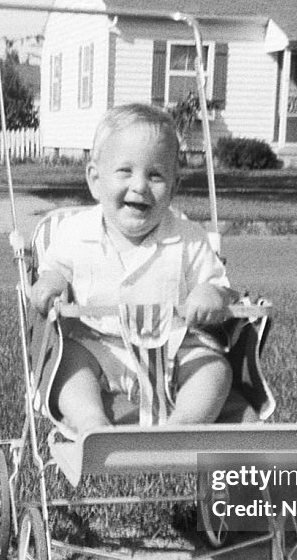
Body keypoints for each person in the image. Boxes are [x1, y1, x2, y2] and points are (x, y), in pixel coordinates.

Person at [30, 103, 235, 434]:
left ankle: (182, 425)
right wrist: (50, 284)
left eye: (155, 175)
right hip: (99, 343)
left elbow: (218, 284)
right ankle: (90, 422)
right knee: (68, 366)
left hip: (174, 348)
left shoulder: (189, 238)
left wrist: (209, 293)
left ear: (174, 188)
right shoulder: (75, 233)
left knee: (214, 369)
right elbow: (54, 270)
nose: (140, 185)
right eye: (125, 171)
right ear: (95, 180)